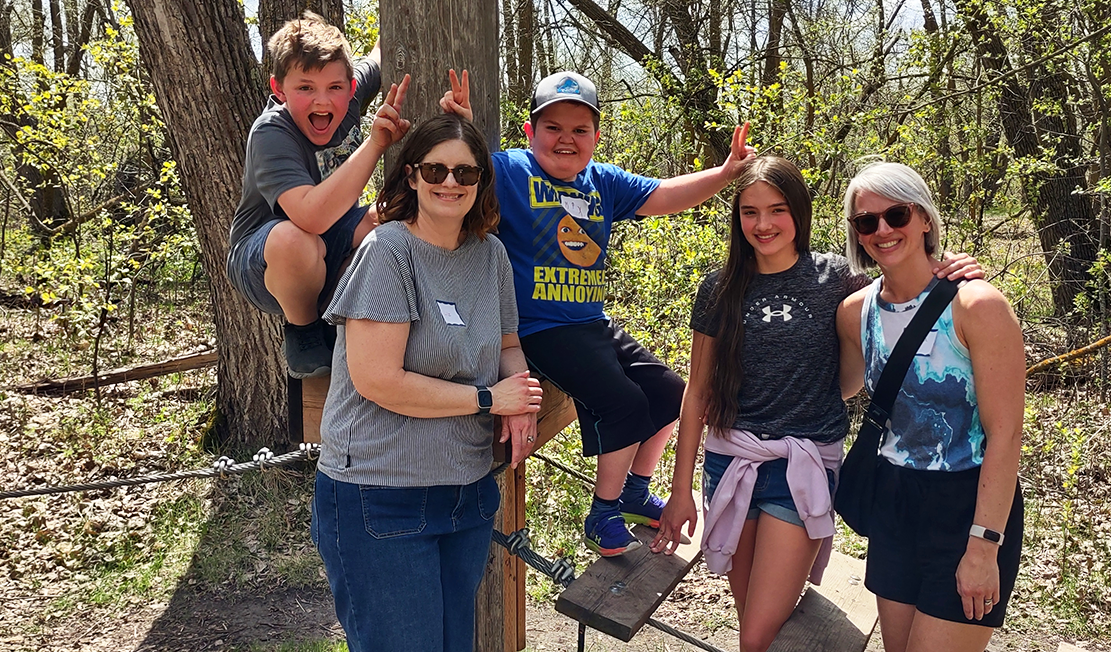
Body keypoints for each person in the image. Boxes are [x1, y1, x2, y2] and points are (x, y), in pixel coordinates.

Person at [650, 157, 983, 652]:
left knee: (756, 635)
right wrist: (679, 491)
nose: (763, 224)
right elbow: (697, 392)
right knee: (751, 622)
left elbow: (901, 278)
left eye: (777, 210)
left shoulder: (837, 279)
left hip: (801, 467)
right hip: (731, 461)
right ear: (737, 218)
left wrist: (950, 262)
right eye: (749, 212)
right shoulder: (719, 289)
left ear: (799, 213)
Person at [439, 69, 759, 556]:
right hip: (539, 329)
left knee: (671, 394)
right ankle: (602, 513)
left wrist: (725, 173)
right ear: (530, 132)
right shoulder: (509, 171)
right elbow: (465, 169)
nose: (566, 139)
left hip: (592, 322)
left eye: (579, 129)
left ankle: (633, 493)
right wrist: (463, 126)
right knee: (624, 405)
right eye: (553, 127)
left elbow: (666, 196)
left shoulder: (603, 182)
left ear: (595, 137)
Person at [310, 114, 544, 652]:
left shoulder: (492, 257)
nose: (451, 182)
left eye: (466, 173)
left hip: (466, 489)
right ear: (412, 176)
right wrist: (489, 399)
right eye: (435, 169)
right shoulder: (389, 252)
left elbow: (509, 347)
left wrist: (522, 398)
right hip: (379, 492)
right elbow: (377, 380)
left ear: (482, 182)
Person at [835, 161, 1024, 652]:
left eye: (896, 214)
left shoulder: (976, 306)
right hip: (894, 500)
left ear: (924, 219)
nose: (883, 230)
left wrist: (984, 547)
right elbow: (837, 389)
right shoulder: (856, 313)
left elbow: (1005, 436)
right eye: (866, 221)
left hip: (967, 505)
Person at [226, 12, 412, 378]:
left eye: (335, 88)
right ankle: (304, 329)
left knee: (392, 216)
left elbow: (380, 54)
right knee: (294, 238)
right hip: (265, 260)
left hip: (328, 242)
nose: (322, 101)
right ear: (279, 89)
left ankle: (348, 319)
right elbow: (310, 216)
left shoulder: (352, 91)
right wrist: (376, 143)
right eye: (305, 88)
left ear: (350, 87)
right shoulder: (270, 133)